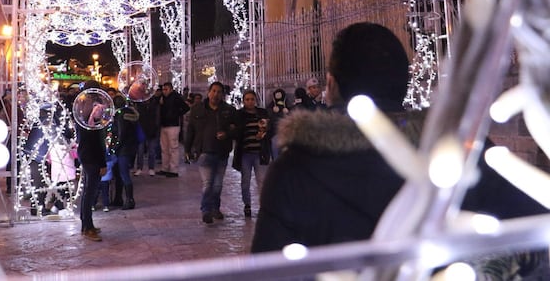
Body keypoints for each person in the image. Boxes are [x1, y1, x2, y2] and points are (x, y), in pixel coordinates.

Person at [251, 22, 548, 277]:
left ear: (331, 85)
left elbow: (269, 272)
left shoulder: (294, 170)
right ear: (403, 85)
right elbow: (535, 236)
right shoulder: (465, 154)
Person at [185, 81, 235, 224]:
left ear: (222, 94)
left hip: (222, 152)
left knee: (218, 184)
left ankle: (215, 208)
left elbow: (235, 129)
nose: (216, 94)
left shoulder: (228, 110)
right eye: (213, 91)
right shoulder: (197, 109)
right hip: (204, 152)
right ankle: (206, 210)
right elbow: (190, 131)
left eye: (219, 92)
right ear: (209, 92)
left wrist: (227, 134)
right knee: (208, 183)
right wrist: (187, 149)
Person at [75, 82, 108, 241]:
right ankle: (87, 227)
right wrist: (102, 163)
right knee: (90, 192)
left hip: (85, 153)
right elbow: (96, 141)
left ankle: (87, 225)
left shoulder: (82, 107)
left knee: (88, 191)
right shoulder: (93, 111)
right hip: (92, 156)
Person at [231, 89, 271, 218]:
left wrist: (264, 134)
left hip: (259, 153)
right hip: (245, 154)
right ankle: (247, 205)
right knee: (245, 181)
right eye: (247, 99)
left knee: (262, 181)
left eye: (252, 99)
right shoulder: (239, 115)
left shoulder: (262, 113)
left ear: (255, 100)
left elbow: (270, 129)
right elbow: (236, 133)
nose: (250, 102)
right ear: (243, 101)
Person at [158, 82, 190, 177]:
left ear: (171, 89)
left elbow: (186, 108)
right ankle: (165, 167)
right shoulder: (162, 98)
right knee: (164, 148)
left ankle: (173, 170)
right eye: (163, 89)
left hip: (173, 125)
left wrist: (176, 114)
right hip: (164, 125)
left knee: (173, 148)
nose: (164, 91)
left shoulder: (176, 97)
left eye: (166, 89)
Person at [134, 92, 160, 176]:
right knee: (140, 151)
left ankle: (151, 168)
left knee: (151, 151)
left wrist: (156, 127)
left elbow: (157, 117)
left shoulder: (155, 104)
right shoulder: (139, 105)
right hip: (141, 130)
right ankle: (139, 168)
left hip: (152, 130)